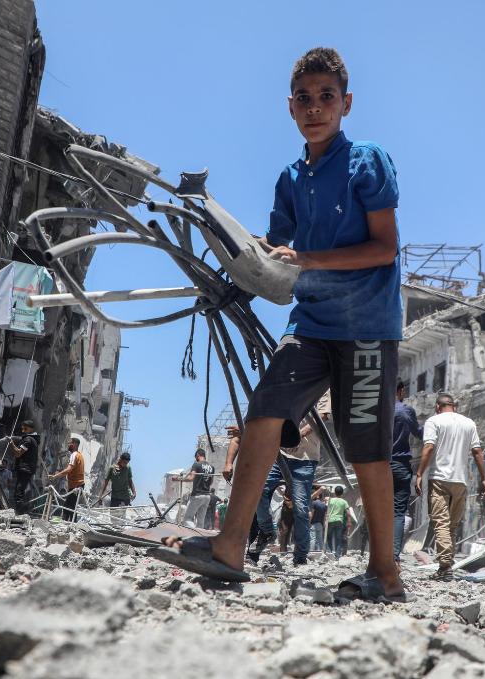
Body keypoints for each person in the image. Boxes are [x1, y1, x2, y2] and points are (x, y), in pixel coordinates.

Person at [160, 47, 406, 600]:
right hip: (311, 321)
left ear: (346, 103)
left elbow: (384, 248)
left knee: (366, 447)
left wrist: (309, 259)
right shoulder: (291, 179)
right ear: (289, 107)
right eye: (304, 98)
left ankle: (386, 573)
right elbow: (275, 250)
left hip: (367, 323)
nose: (314, 107)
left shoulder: (367, 161)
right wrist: (233, 258)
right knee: (264, 410)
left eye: (326, 97)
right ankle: (229, 546)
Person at [245, 393, 330, 565]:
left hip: (305, 459)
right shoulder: (290, 383)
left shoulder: (322, 388)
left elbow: (323, 415)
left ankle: (300, 557)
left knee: (300, 508)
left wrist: (298, 435)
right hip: (279, 453)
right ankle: (267, 532)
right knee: (258, 490)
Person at [414, 393, 485, 580]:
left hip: (439, 479)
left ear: (437, 407)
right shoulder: (469, 423)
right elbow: (477, 451)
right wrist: (484, 478)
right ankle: (446, 563)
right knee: (452, 526)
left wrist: (419, 474)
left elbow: (428, 447)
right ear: (454, 406)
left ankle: (445, 566)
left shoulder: (434, 421)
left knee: (441, 523)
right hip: (461, 481)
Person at [391, 381, 421, 560]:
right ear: (401, 391)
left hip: (379, 467)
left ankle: (378, 553)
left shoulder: (377, 411)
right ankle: (393, 555)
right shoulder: (406, 410)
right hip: (400, 464)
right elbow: (418, 432)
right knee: (398, 512)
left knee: (380, 510)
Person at [6, 420, 40, 514]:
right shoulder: (33, 440)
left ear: (31, 429)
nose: (23, 430)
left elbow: (18, 453)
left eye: (25, 428)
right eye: (22, 428)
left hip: (25, 469)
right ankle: (21, 512)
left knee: (19, 493)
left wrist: (11, 443)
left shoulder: (28, 440)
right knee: (21, 491)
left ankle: (19, 514)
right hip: (27, 469)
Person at [49, 437, 85, 521]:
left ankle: (69, 524)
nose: (68, 445)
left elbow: (69, 469)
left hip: (76, 486)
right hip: (77, 486)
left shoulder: (74, 455)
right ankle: (68, 523)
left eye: (70, 443)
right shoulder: (79, 455)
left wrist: (55, 476)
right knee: (69, 507)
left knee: (69, 508)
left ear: (75, 444)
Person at [182, 450, 215, 528]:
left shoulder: (196, 464)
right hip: (207, 496)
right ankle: (199, 534)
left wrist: (179, 479)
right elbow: (211, 482)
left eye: (195, 457)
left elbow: (191, 478)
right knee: (200, 521)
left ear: (198, 455)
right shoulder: (212, 467)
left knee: (187, 519)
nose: (195, 458)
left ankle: (193, 532)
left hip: (197, 495)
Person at [325, 486, 351, 558]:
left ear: (335, 492)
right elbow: (348, 513)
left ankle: (330, 553)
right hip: (339, 521)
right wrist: (349, 522)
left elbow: (326, 510)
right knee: (338, 539)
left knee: (329, 537)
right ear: (342, 493)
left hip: (330, 520)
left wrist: (325, 521)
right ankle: (337, 556)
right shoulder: (344, 502)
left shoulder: (330, 500)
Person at [309, 487, 327, 552]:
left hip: (314, 524)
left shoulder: (314, 503)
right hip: (320, 524)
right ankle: (322, 551)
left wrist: (309, 522)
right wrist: (323, 524)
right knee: (320, 539)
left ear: (317, 496)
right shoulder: (324, 505)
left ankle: (311, 551)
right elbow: (324, 516)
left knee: (312, 538)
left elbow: (312, 513)